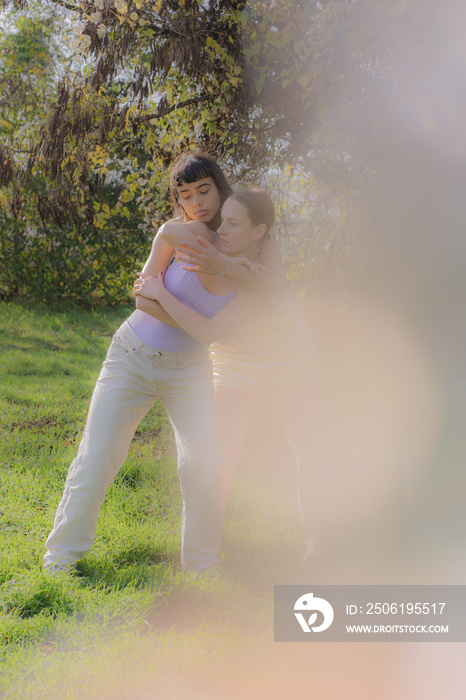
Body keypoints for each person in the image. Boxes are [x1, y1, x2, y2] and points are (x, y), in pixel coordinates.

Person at [44, 152, 242, 575]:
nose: (197, 202)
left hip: (189, 370)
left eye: (204, 190)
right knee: (98, 455)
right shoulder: (176, 234)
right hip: (131, 355)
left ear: (222, 188)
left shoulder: (243, 253)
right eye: (186, 195)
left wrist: (172, 306)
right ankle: (60, 558)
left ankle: (203, 566)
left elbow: (166, 300)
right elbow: (140, 297)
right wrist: (194, 322)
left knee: (205, 463)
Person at [133, 188, 321, 560]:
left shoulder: (263, 262)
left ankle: (317, 542)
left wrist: (225, 267)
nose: (222, 229)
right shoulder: (207, 244)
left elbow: (269, 287)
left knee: (306, 443)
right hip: (234, 357)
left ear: (258, 231)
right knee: (222, 449)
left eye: (234, 224)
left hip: (288, 351)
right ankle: (208, 542)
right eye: (223, 221)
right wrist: (156, 278)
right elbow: (172, 240)